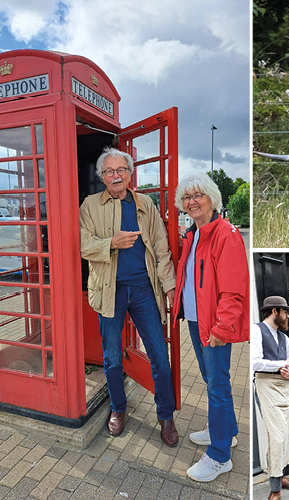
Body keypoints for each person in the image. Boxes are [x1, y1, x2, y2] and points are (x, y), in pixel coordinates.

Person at [79, 147, 178, 446]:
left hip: (144, 290)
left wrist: (169, 286)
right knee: (111, 358)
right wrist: (112, 242)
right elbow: (84, 245)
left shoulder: (145, 203)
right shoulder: (90, 205)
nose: (115, 176)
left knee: (160, 357)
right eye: (109, 171)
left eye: (120, 170)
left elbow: (161, 248)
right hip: (109, 289)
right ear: (102, 177)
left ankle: (166, 415)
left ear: (130, 173)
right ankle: (118, 408)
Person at [172, 172, 249, 482]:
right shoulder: (194, 234)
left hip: (213, 325)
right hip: (194, 320)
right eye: (186, 197)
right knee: (211, 380)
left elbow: (234, 290)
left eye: (198, 195)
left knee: (218, 386)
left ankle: (219, 456)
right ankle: (226, 432)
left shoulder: (226, 234)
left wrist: (221, 327)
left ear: (212, 198)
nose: (192, 201)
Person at [252, 296, 289, 500]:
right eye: (286, 312)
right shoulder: (256, 330)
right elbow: (255, 363)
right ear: (274, 312)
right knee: (276, 436)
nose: (288, 316)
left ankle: (279, 476)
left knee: (285, 436)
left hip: (284, 387)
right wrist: (281, 363)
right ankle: (275, 489)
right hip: (266, 385)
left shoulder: (285, 338)